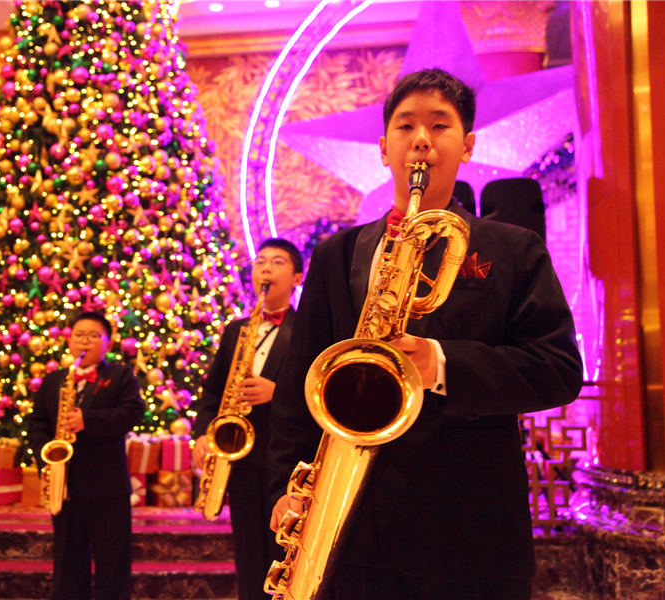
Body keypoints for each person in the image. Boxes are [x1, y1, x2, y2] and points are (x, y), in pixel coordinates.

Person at [267, 68, 583, 600]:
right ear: (384, 148)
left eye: (440, 126)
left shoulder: (514, 248)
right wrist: (283, 489)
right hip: (351, 532)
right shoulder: (335, 254)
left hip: (471, 534)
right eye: (405, 126)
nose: (421, 140)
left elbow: (558, 369)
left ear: (467, 145)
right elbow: (303, 385)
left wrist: (441, 364)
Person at [192, 238, 304, 600]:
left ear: (297, 277)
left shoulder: (307, 331)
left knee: (285, 553)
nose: (266, 269)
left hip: (283, 460)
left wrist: (278, 391)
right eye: (260, 262)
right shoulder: (234, 331)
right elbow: (212, 394)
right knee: (248, 555)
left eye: (277, 262)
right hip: (240, 459)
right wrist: (202, 435)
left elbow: (320, 393)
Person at [27, 311, 144, 600]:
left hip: (108, 485)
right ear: (69, 340)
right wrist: (48, 460)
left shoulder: (120, 375)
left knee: (113, 560)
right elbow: (37, 424)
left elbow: (132, 413)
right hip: (64, 484)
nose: (85, 342)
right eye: (79, 335)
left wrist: (87, 421)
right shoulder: (53, 380)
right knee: (67, 559)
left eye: (94, 336)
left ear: (107, 342)